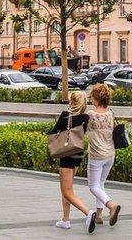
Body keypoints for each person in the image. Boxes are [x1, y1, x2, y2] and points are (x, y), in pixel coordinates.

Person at [49, 91, 95, 233]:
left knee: (67, 192)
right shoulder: (86, 117)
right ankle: (65, 220)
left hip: (67, 155)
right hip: (78, 154)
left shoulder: (65, 116)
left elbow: (53, 131)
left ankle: (88, 213)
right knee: (68, 189)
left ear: (71, 102)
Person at [87, 84, 121, 227]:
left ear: (96, 98)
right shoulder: (110, 113)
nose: (91, 99)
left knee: (93, 186)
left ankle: (111, 205)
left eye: (92, 97)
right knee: (100, 184)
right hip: (110, 154)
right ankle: (99, 216)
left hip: (96, 155)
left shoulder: (91, 115)